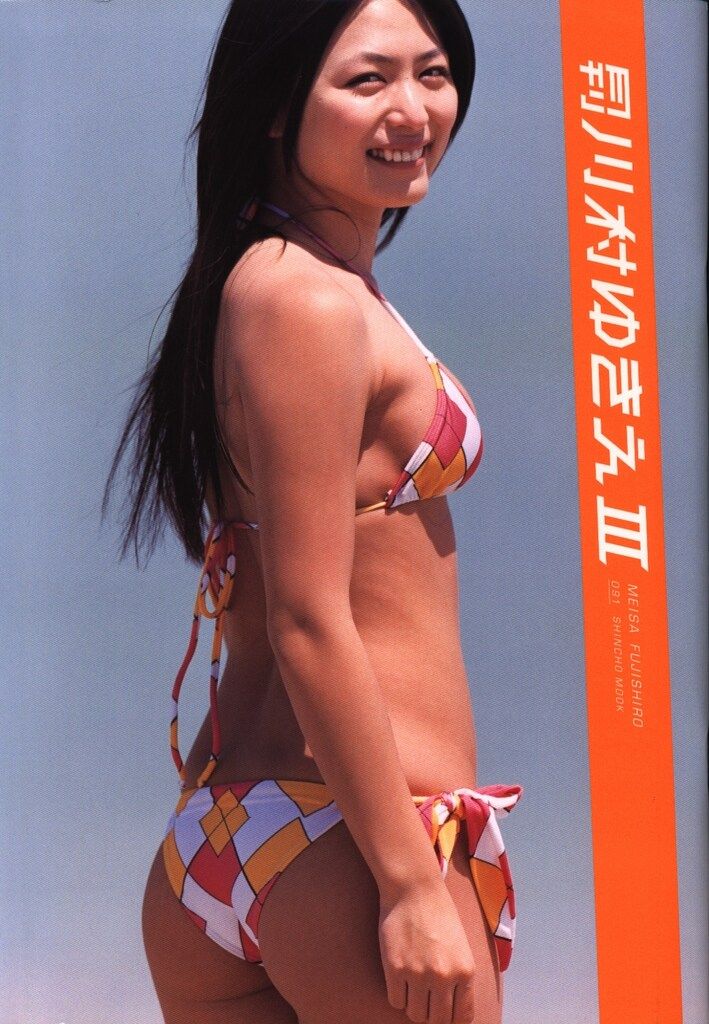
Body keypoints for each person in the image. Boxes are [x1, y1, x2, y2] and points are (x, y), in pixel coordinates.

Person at [104, 1, 523, 1021]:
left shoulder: (273, 281)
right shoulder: (308, 301)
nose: (411, 109)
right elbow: (305, 615)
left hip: (237, 841)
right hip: (347, 845)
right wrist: (410, 884)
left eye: (432, 72)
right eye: (366, 79)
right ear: (274, 106)